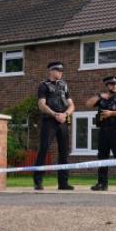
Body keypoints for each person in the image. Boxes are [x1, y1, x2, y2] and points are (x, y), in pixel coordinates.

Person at [33, 61, 75, 190]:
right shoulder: (44, 86)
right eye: (58, 70)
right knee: (44, 149)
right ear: (51, 71)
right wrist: (55, 114)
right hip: (49, 121)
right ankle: (38, 181)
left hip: (63, 120)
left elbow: (72, 105)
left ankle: (63, 183)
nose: (61, 73)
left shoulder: (64, 85)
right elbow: (41, 105)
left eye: (62, 71)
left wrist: (65, 114)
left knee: (64, 151)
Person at [85, 76, 116, 192]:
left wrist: (111, 113)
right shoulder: (102, 97)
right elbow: (88, 104)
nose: (115, 86)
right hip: (103, 130)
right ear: (107, 85)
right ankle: (102, 184)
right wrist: (99, 96)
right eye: (112, 84)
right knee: (102, 156)